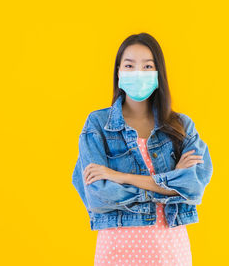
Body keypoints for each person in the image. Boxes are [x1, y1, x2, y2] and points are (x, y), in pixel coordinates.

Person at [72, 32, 213, 266]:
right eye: (130, 65)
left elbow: (193, 186)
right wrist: (170, 186)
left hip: (170, 252)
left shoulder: (181, 126)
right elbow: (99, 195)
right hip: (117, 251)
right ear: (118, 72)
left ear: (159, 74)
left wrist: (120, 176)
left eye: (147, 66)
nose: (138, 73)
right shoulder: (97, 125)